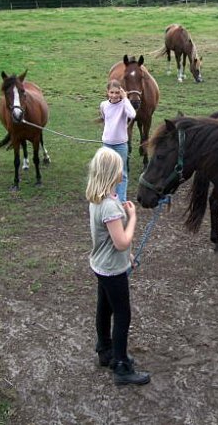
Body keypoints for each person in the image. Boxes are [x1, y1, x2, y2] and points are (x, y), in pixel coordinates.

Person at [86, 147, 150, 385]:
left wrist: (129, 254)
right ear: (113, 173)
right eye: (120, 166)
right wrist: (132, 219)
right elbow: (121, 242)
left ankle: (105, 350)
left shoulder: (98, 198)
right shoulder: (111, 208)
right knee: (123, 314)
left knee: (104, 307)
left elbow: (113, 243)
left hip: (101, 265)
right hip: (112, 270)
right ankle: (121, 366)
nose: (123, 170)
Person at [100, 80, 136, 203]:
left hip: (121, 145)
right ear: (107, 92)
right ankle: (108, 196)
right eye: (111, 92)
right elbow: (105, 119)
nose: (114, 95)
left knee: (122, 173)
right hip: (107, 144)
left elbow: (132, 114)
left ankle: (121, 200)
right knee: (106, 171)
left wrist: (125, 99)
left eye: (117, 92)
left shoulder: (124, 105)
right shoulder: (104, 105)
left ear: (121, 92)